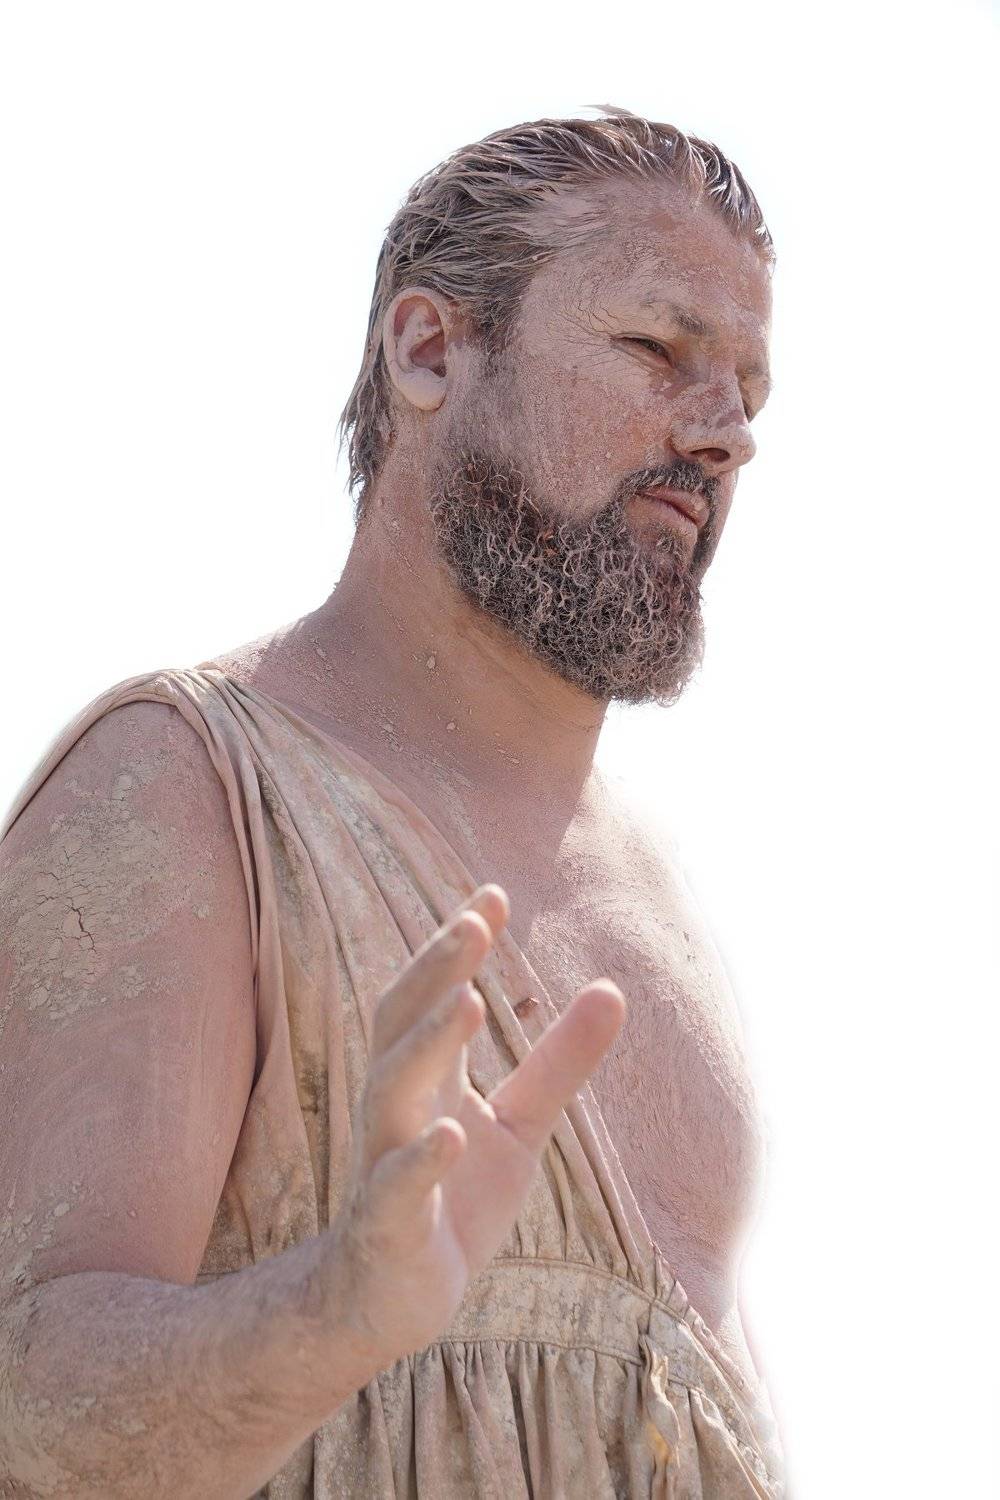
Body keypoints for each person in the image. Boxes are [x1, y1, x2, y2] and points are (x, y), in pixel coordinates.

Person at [0, 109, 785, 1497]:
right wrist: (335, 1310)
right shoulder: (188, 784)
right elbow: (24, 1402)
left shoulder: (660, 901)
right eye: (658, 350)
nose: (726, 436)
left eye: (749, 393)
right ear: (428, 351)